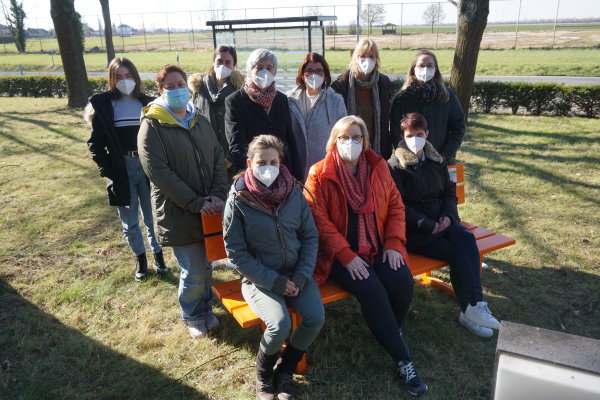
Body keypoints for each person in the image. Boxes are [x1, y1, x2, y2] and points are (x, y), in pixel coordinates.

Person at [304, 116, 427, 396]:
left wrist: (395, 243)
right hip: (338, 255)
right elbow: (319, 222)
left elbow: (396, 205)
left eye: (356, 137)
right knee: (373, 292)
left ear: (365, 140)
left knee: (402, 283)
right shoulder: (318, 173)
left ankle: (388, 334)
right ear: (334, 141)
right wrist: (346, 255)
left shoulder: (378, 166)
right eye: (344, 138)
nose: (351, 143)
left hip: (378, 245)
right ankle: (403, 359)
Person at [223, 135, 324, 400]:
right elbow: (236, 252)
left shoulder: (294, 192)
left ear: (281, 163)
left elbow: (310, 237)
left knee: (315, 317)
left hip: (297, 274)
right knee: (279, 325)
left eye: (273, 162)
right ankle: (264, 376)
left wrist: (302, 276)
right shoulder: (239, 198)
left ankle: (285, 371)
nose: (268, 167)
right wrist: (274, 281)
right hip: (259, 279)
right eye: (261, 162)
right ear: (249, 163)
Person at [388, 112, 500, 338]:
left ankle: (474, 306)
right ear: (403, 136)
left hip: (443, 224)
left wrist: (448, 216)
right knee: (458, 252)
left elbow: (450, 192)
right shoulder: (394, 166)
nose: (415, 139)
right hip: (416, 232)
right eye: (410, 135)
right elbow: (398, 206)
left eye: (419, 134)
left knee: (467, 239)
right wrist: (428, 225)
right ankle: (469, 311)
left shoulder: (436, 159)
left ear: (427, 134)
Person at [137, 65, 228, 338]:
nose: (178, 89)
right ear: (160, 90)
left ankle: (204, 307)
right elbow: (159, 173)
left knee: (207, 263)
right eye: (170, 85)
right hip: (179, 209)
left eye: (181, 84)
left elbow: (217, 157)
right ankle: (191, 314)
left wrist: (218, 193)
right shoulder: (152, 125)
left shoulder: (198, 119)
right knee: (193, 268)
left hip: (209, 206)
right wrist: (195, 202)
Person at [85, 57, 168, 281]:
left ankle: (159, 255)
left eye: (128, 76)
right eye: (119, 77)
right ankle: (140, 259)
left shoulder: (149, 103)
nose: (124, 81)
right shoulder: (104, 106)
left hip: (147, 167)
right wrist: (108, 170)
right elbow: (95, 143)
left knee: (153, 217)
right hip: (121, 168)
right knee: (130, 221)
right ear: (112, 79)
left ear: (136, 77)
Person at [225, 48, 302, 181]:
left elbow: (290, 138)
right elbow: (237, 144)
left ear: (274, 71)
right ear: (250, 70)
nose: (264, 72)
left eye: (269, 67)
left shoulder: (281, 99)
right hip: (255, 172)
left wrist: (298, 176)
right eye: (259, 67)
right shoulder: (235, 101)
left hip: (282, 170)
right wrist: (245, 178)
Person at [389, 49, 465, 164]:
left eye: (429, 65)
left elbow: (458, 128)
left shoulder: (447, 97)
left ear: (435, 69)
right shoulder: (402, 99)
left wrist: (445, 154)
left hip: (441, 159)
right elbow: (395, 131)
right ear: (413, 69)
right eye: (421, 66)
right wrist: (406, 154)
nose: (425, 69)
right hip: (411, 160)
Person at [287, 52, 346, 180]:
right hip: (294, 170)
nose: (314, 75)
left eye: (319, 71)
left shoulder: (335, 101)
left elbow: (343, 137)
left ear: (325, 75)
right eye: (309, 71)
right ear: (302, 75)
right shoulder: (289, 100)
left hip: (324, 170)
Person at [331, 39, 393, 160]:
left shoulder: (383, 84)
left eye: (371, 56)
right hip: (349, 147)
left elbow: (385, 119)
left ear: (376, 59)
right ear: (355, 58)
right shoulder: (341, 85)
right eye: (362, 56)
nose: (367, 60)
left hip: (376, 148)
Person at [188, 45, 244, 179]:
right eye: (219, 61)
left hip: (232, 159)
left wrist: (229, 157)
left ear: (234, 65)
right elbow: (193, 120)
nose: (223, 65)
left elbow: (242, 125)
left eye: (228, 62)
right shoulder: (199, 88)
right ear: (214, 62)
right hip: (205, 156)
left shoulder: (239, 90)